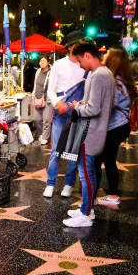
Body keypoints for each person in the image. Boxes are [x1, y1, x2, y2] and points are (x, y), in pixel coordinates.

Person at [62, 41, 116, 227]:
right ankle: (87, 208)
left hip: (89, 133)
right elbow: (103, 103)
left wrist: (78, 107)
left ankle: (86, 213)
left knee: (85, 173)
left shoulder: (99, 75)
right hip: (93, 131)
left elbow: (93, 108)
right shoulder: (105, 73)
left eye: (79, 60)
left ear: (87, 55)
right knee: (88, 172)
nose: (79, 65)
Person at [43, 29, 86, 198]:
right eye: (75, 44)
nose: (77, 47)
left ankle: (69, 183)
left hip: (78, 112)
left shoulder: (86, 65)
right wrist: (57, 103)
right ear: (69, 47)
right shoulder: (59, 65)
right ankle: (50, 183)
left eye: (80, 44)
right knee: (56, 150)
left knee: (73, 151)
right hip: (61, 112)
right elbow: (50, 91)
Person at [95, 47, 138, 206]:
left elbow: (105, 107)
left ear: (112, 61)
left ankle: (103, 195)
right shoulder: (124, 81)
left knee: (99, 161)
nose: (103, 58)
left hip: (113, 127)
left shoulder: (113, 82)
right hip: (121, 126)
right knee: (109, 160)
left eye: (106, 56)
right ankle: (111, 193)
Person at [32, 55, 52, 145]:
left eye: (44, 61)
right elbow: (35, 84)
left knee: (47, 120)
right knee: (36, 119)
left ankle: (45, 137)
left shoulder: (51, 72)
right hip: (37, 98)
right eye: (41, 61)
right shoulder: (38, 71)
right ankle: (40, 133)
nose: (42, 63)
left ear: (48, 62)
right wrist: (33, 95)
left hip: (47, 99)